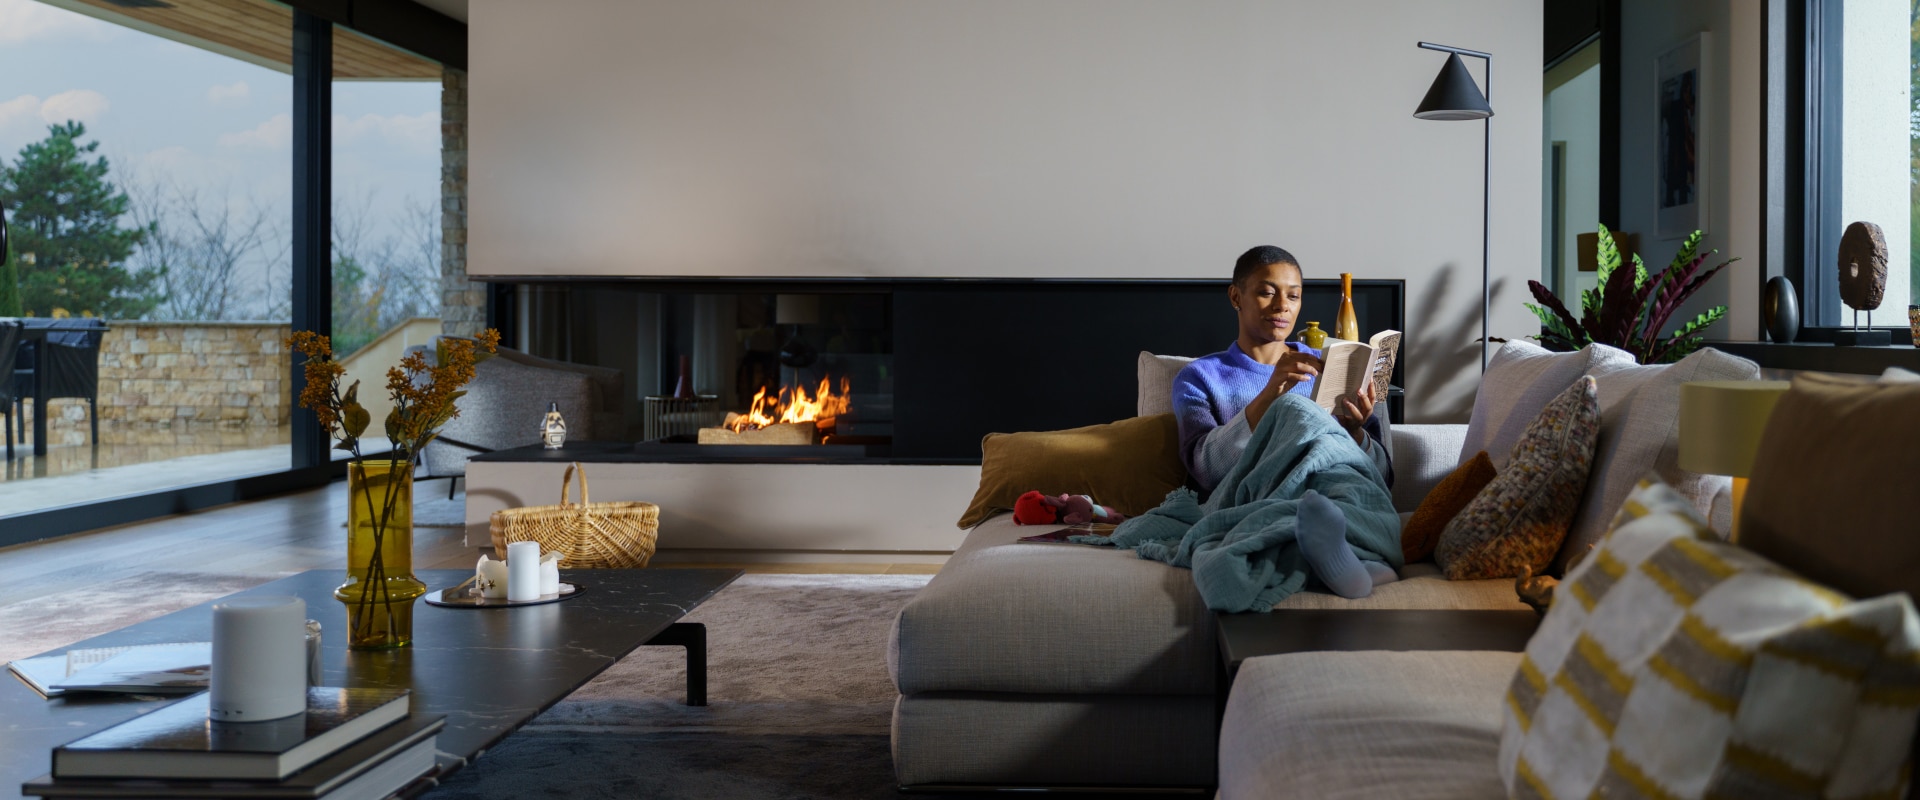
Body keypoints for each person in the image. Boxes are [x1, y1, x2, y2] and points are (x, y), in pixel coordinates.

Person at [1168, 245, 1397, 597]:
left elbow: (1380, 480)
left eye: (1293, 296)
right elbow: (1207, 469)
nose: (1282, 306)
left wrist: (1354, 432)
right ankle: (1356, 561)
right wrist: (1272, 395)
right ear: (1235, 296)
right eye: (1266, 292)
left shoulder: (1328, 369)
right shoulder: (1199, 377)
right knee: (1295, 411)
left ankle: (1346, 558)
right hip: (1254, 495)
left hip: (1334, 489)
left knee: (1333, 454)